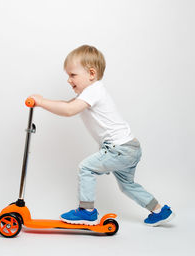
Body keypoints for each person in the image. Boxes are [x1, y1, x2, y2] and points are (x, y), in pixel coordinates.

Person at [29, 45, 175, 226]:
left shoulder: (93, 90)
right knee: (127, 185)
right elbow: (67, 104)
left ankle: (87, 211)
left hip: (119, 149)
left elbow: (68, 110)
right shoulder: (91, 92)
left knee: (86, 168)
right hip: (129, 147)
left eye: (72, 75)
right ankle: (160, 211)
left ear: (91, 73)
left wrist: (42, 102)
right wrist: (42, 103)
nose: (68, 80)